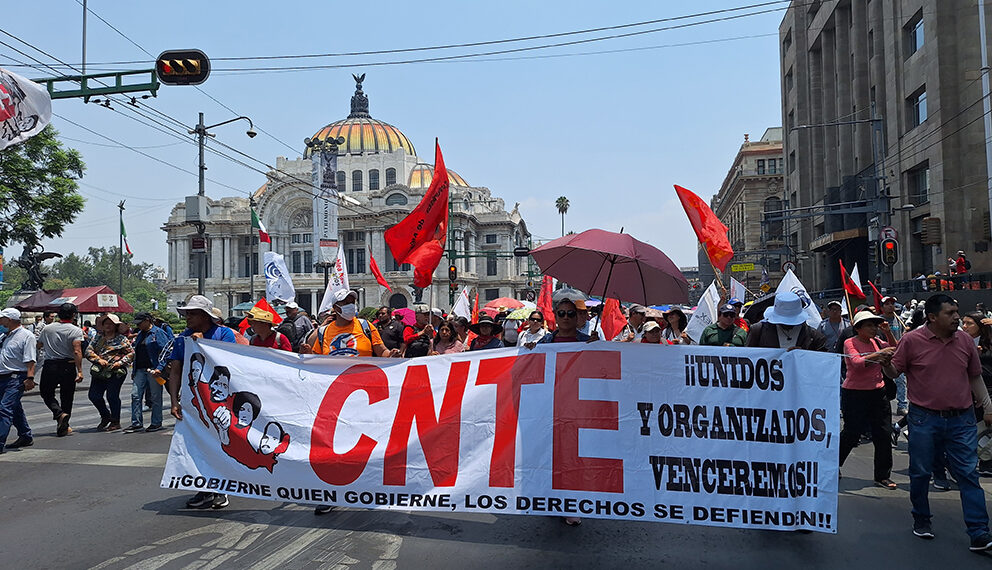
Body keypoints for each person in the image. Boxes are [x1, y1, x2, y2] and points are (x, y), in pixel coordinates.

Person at [891, 294, 992, 551]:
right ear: (932, 317)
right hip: (924, 418)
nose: (957, 317)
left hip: (962, 419)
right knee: (921, 472)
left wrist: (988, 405)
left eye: (957, 311)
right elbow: (895, 371)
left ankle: (979, 532)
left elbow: (975, 376)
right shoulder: (911, 341)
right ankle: (922, 519)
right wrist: (882, 364)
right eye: (950, 313)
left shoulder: (966, 341)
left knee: (968, 474)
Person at [167, 295, 238, 510]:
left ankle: (221, 489)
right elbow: (176, 369)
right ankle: (204, 488)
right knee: (197, 445)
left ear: (205, 316)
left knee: (220, 443)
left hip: (219, 400)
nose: (188, 317)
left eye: (192, 313)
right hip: (194, 401)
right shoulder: (184, 338)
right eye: (187, 313)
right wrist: (173, 400)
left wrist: (204, 344)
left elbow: (232, 362)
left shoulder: (224, 334)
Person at [535, 298, 590, 526]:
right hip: (551, 406)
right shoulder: (545, 342)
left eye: (570, 313)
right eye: (561, 313)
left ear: (578, 317)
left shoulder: (589, 342)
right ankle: (553, 499)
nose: (566, 318)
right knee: (551, 455)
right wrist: (530, 352)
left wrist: (597, 349)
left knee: (574, 456)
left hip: (578, 408)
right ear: (555, 316)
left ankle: (572, 503)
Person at [838, 311, 899, 489]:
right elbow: (856, 364)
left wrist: (888, 333)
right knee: (851, 433)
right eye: (869, 325)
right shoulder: (850, 342)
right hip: (855, 394)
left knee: (883, 434)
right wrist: (878, 354)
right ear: (858, 329)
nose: (873, 329)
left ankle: (882, 476)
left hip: (877, 392)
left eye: (875, 325)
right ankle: (833, 465)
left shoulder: (877, 341)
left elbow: (895, 349)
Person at [302, 290, 396, 357]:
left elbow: (382, 351)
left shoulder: (365, 326)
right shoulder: (324, 332)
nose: (351, 306)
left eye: (352, 302)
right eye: (346, 303)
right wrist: (308, 354)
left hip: (362, 382)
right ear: (336, 307)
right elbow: (316, 359)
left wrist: (391, 355)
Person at [37, 303, 84, 437]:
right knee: (67, 396)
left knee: (46, 392)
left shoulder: (48, 329)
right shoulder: (75, 330)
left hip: (50, 365)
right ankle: (65, 424)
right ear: (73, 315)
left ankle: (58, 414)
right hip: (68, 365)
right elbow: (77, 350)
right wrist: (79, 370)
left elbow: (39, 344)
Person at [84, 314, 134, 432]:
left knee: (112, 396)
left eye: (110, 324)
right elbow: (88, 351)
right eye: (106, 323)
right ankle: (106, 415)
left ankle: (115, 421)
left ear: (115, 326)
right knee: (94, 396)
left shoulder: (121, 339)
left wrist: (120, 362)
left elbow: (131, 353)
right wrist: (98, 360)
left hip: (115, 371)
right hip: (100, 370)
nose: (108, 326)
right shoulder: (98, 337)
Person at [123, 312, 172, 433]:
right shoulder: (140, 334)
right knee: (135, 395)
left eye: (140, 323)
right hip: (140, 369)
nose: (138, 325)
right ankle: (136, 423)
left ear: (147, 321)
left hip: (153, 369)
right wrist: (134, 370)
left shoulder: (158, 333)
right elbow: (137, 353)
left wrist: (160, 368)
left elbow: (166, 352)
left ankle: (156, 422)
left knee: (155, 397)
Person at [960, 311, 992, 477]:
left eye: (969, 323)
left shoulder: (988, 343)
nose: (964, 327)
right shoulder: (960, 342)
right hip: (968, 393)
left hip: (988, 391)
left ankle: (986, 461)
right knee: (975, 430)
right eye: (963, 323)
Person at [0, 308, 35, 452]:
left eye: (1, 318)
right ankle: (25, 435)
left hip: (16, 377)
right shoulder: (3, 336)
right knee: (14, 408)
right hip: (2, 376)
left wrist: (30, 378)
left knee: (4, 409)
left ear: (9, 320)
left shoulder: (26, 336)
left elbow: (31, 359)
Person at [745, 291, 828, 351]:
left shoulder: (814, 336)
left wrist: (804, 354)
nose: (787, 324)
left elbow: (823, 362)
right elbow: (747, 358)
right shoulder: (758, 331)